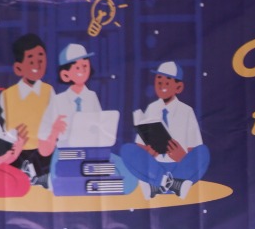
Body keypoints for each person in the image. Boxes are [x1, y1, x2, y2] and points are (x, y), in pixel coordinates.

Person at [112, 61, 211, 200]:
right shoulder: (152, 108)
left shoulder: (186, 111)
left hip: (179, 166)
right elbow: (139, 145)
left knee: (203, 152)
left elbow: (194, 147)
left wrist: (181, 156)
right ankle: (169, 184)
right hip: (154, 166)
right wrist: (148, 152)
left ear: (179, 87)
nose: (162, 84)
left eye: (167, 81)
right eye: (159, 79)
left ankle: (162, 185)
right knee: (127, 149)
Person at [36, 43, 103, 156]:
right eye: (77, 68)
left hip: (90, 153)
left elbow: (101, 128)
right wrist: (54, 131)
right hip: (66, 153)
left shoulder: (92, 97)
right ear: (65, 75)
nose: (82, 70)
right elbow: (43, 148)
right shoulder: (58, 100)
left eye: (85, 66)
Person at [3, 33, 52, 185]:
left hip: (44, 153)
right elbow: (1, 128)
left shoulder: (48, 91)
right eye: (31, 60)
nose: (37, 65)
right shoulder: (7, 95)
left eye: (41, 59)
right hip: (16, 153)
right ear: (18, 68)